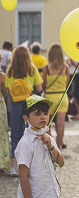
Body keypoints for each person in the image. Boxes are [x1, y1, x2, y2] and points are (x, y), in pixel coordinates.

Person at [15, 95, 64, 198]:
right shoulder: (26, 143)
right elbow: (23, 176)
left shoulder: (48, 138)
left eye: (45, 113)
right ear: (25, 118)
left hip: (51, 195)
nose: (43, 117)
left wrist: (51, 146)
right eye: (37, 114)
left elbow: (61, 163)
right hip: (36, 197)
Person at [6, 46, 43, 177]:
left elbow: (8, 88)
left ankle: (14, 167)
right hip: (30, 105)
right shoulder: (32, 69)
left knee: (16, 136)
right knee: (30, 135)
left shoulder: (10, 71)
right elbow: (39, 88)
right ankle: (29, 166)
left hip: (15, 105)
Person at [42, 43, 70, 149]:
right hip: (62, 97)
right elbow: (66, 83)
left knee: (47, 125)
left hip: (50, 97)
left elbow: (43, 84)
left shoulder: (46, 68)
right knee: (60, 124)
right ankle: (58, 147)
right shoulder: (66, 68)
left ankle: (50, 147)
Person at [0, 60, 10, 172]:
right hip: (0, 106)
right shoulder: (2, 75)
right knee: (2, 133)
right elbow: (5, 92)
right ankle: (1, 162)